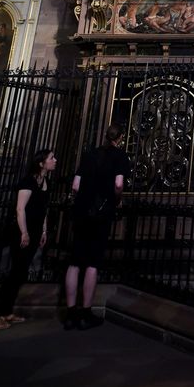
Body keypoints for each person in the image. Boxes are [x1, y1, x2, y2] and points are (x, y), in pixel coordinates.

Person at [64, 124, 131, 331]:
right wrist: (116, 199)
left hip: (82, 210)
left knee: (75, 262)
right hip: (101, 212)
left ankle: (70, 314)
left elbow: (75, 185)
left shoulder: (89, 154)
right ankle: (85, 312)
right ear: (119, 138)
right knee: (92, 263)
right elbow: (119, 184)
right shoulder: (120, 157)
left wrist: (83, 199)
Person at [0, 149, 57, 330]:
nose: (55, 160)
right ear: (41, 163)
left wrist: (43, 231)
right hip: (22, 233)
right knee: (14, 274)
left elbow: (44, 209)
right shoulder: (28, 182)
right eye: (51, 158)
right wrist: (24, 233)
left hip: (34, 232)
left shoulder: (46, 182)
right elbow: (20, 209)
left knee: (20, 273)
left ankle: (6, 311)